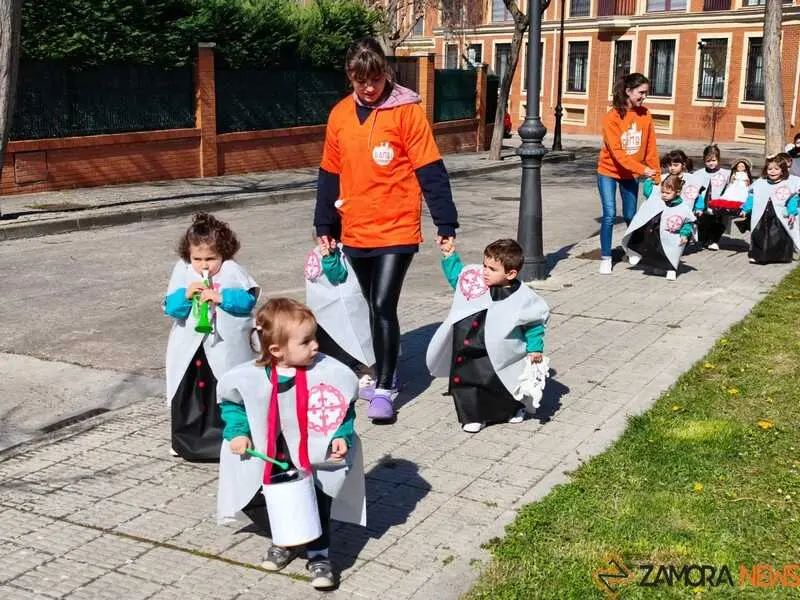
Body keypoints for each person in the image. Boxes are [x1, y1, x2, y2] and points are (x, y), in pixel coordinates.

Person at [313, 37, 459, 421]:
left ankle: (386, 385)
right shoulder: (340, 115)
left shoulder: (406, 111)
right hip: (356, 227)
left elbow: (430, 168)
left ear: (384, 73)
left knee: (382, 303)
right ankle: (377, 366)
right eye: (361, 80)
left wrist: (445, 220)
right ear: (350, 76)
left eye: (375, 78)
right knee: (368, 302)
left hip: (397, 227)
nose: (369, 87)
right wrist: (324, 222)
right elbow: (329, 173)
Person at [216, 298, 366, 591]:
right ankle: (284, 539)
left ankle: (319, 554)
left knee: (318, 500)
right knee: (271, 498)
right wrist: (237, 432)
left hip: (314, 454)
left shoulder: (326, 372)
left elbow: (341, 408)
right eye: (306, 341)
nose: (316, 347)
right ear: (276, 350)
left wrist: (340, 436)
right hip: (273, 453)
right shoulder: (250, 376)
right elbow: (234, 404)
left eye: (315, 338)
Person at [426, 239, 550, 433]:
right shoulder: (476, 281)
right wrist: (450, 256)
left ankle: (513, 408)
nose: (484, 271)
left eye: (492, 269)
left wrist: (534, 347)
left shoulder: (523, 298)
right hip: (468, 345)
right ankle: (473, 416)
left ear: (510, 273)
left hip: (502, 353)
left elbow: (533, 324)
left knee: (501, 382)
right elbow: (459, 279)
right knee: (467, 381)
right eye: (484, 265)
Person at [163, 213, 259, 461]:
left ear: (224, 254)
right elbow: (170, 308)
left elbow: (248, 301)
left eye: (211, 258)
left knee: (224, 389)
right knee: (189, 391)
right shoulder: (183, 271)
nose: (204, 265)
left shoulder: (232, 271)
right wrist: (185, 296)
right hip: (191, 348)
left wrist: (221, 297)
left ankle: (230, 437)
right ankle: (185, 439)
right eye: (197, 259)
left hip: (224, 346)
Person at [596, 72, 660, 275]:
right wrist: (643, 169)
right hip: (608, 171)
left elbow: (650, 147)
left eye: (646, 93)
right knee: (609, 215)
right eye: (641, 92)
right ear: (628, 91)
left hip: (630, 174)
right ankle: (606, 257)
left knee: (632, 215)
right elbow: (617, 153)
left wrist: (656, 173)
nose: (644, 97)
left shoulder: (645, 114)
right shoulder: (612, 117)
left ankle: (631, 247)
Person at [304, 242, 375, 384]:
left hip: (324, 310)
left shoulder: (316, 253)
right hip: (338, 309)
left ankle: (359, 368)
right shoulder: (334, 252)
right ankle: (360, 370)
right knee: (351, 339)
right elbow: (338, 274)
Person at [622, 174, 696, 281]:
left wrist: (684, 234)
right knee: (655, 249)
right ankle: (650, 261)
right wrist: (649, 181)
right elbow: (649, 192)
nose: (664, 195)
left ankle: (671, 270)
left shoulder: (683, 207)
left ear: (678, 192)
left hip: (672, 235)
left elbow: (688, 222)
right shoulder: (658, 200)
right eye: (663, 192)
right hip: (656, 231)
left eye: (668, 193)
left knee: (670, 252)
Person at [738, 154, 800, 264]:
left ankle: (779, 256)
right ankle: (758, 256)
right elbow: (752, 197)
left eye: (776, 169)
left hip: (778, 216)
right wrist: (745, 209)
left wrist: (792, 212)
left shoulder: (788, 183)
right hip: (762, 216)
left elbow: (792, 200)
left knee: (778, 237)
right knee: (759, 235)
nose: (773, 171)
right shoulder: (760, 183)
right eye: (770, 169)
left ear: (782, 170)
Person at [692, 144, 732, 251]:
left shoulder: (726, 174)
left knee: (718, 223)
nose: (711, 163)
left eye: (713, 160)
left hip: (719, 205)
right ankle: (703, 240)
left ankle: (714, 241)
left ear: (718, 159)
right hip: (703, 205)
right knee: (703, 223)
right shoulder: (698, 174)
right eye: (708, 161)